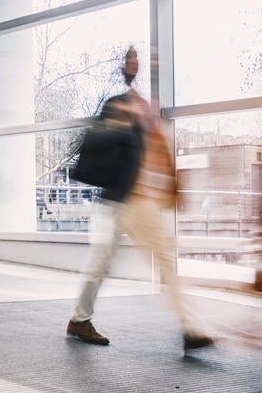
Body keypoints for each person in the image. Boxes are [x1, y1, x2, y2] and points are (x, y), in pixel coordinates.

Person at [66, 46, 213, 352]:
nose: (135, 65)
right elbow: (96, 143)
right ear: (124, 68)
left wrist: (172, 188)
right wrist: (120, 126)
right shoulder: (120, 106)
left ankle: (189, 328)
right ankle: (81, 320)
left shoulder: (146, 109)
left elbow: (158, 156)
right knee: (104, 260)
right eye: (131, 60)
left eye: (139, 60)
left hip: (140, 202)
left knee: (156, 261)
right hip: (122, 198)